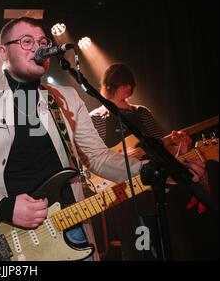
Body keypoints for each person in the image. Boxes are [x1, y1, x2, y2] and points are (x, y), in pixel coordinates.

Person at [0, 17, 165, 261]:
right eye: (26, 41)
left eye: (42, 41)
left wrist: (151, 170)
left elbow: (97, 157)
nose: (37, 46)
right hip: (3, 238)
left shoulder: (66, 98)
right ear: (3, 52)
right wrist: (3, 207)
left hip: (69, 231)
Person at [89, 63, 208, 260]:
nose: (128, 87)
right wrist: (121, 158)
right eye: (122, 83)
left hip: (155, 184)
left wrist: (181, 148)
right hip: (122, 191)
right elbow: (95, 156)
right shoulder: (96, 117)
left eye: (130, 83)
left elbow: (164, 149)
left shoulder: (142, 112)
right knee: (137, 248)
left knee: (170, 242)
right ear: (111, 84)